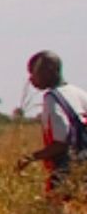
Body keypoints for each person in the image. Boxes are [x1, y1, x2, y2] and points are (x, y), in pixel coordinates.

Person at [17, 50, 87, 196]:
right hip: (82, 170)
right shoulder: (79, 93)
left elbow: (61, 143)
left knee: (57, 206)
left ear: (49, 71)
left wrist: (29, 158)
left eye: (34, 72)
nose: (31, 79)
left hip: (68, 172)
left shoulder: (53, 98)